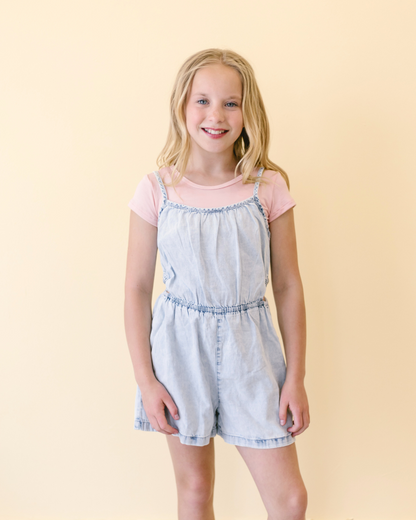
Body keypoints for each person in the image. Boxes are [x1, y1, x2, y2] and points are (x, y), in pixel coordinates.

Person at [124, 48, 310, 520]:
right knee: (196, 491)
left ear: (249, 112)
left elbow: (287, 285)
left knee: (290, 500)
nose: (216, 115)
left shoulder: (268, 188)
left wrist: (296, 377)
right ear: (182, 106)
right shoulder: (156, 190)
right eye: (202, 100)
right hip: (179, 350)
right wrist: (146, 381)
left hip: (253, 351)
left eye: (231, 102)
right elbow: (137, 289)